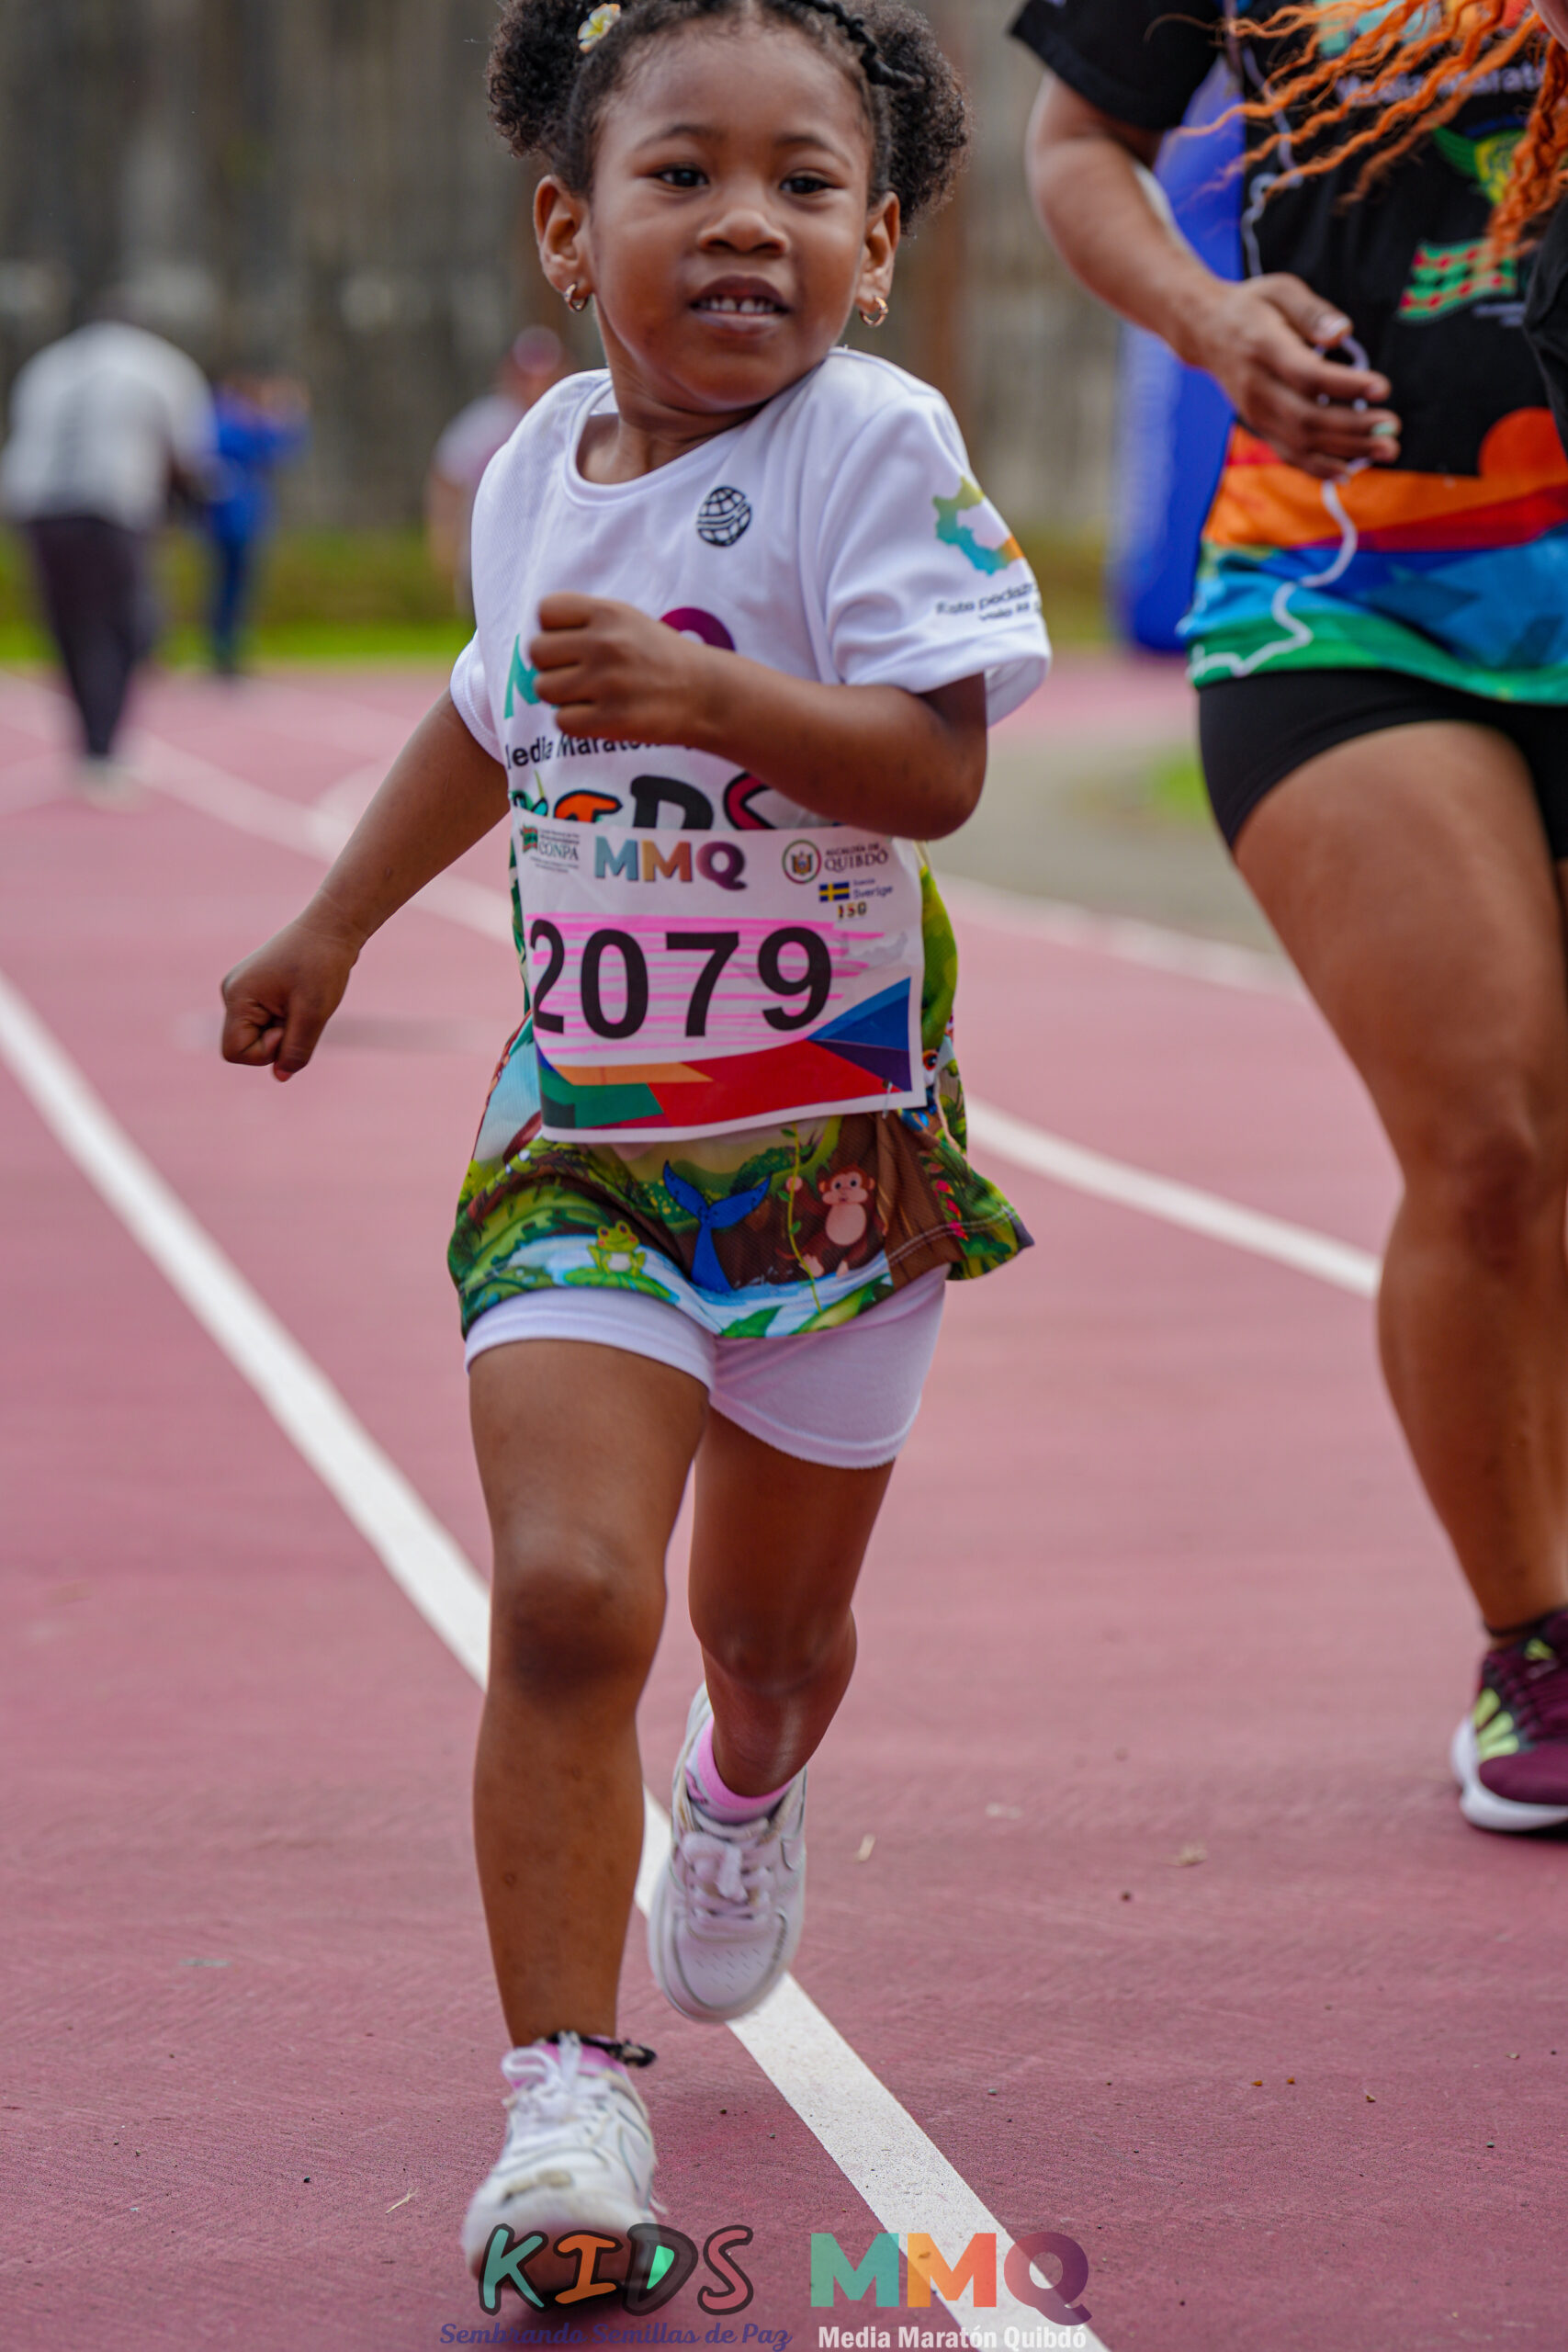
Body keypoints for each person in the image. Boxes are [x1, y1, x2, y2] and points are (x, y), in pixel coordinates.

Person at [220, 0, 1048, 2280]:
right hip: (583, 1145)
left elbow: (933, 766)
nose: (745, 222)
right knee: (572, 1594)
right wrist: (331, 919)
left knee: (764, 1634)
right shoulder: (534, 468)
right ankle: (565, 2115)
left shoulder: (872, 444)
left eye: (805, 184)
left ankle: (744, 1780)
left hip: (828, 1166)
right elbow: (484, 709)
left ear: (878, 246)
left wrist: (710, 699)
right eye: (683, 174)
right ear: (569, 228)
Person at [1014, 0, 1568, 1837]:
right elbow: (1075, 145)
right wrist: (1205, 318)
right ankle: (1535, 1638)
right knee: (1490, 1140)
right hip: (1347, 589)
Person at [0, 301, 214, 792]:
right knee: (122, 626)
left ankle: (92, 741)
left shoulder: (48, 363)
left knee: (71, 626)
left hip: (38, 510)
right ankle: (104, 746)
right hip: (109, 507)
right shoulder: (159, 364)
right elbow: (189, 452)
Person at [425, 327, 569, 613]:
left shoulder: (569, 419)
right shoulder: (485, 425)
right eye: (528, 376)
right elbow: (447, 479)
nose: (536, 385)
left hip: (548, 557)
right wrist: (444, 540)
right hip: (485, 557)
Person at [205, 373, 310, 676]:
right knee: (226, 587)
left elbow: (285, 448)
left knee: (240, 588)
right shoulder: (225, 427)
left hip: (247, 522)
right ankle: (222, 649)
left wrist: (293, 413)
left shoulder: (249, 430)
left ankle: (231, 648)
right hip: (225, 522)